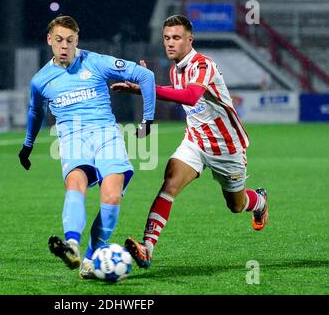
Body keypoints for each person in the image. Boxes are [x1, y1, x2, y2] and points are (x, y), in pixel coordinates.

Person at [111, 14, 269, 269]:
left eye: (176, 38)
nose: (170, 43)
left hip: (226, 147)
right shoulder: (176, 70)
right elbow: (181, 94)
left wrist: (146, 88)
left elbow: (191, 96)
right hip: (195, 141)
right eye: (166, 38)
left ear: (189, 39)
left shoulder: (204, 65)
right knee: (170, 181)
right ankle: (147, 248)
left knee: (236, 205)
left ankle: (259, 201)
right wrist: (148, 84)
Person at [18, 16, 156, 278]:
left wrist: (148, 119)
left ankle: (91, 259)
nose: (64, 46)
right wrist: (28, 145)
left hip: (106, 136)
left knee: (112, 197)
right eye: (59, 40)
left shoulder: (96, 62)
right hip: (72, 139)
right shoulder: (41, 80)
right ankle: (71, 245)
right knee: (75, 184)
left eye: (70, 40)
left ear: (77, 40)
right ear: (50, 40)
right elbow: (36, 112)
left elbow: (145, 75)